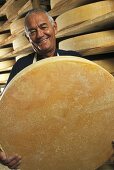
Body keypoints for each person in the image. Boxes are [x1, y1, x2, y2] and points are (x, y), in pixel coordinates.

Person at [0, 8, 81, 169]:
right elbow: (5, 111)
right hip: (38, 149)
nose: (40, 35)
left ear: (55, 27)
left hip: (74, 142)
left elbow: (98, 100)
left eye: (44, 27)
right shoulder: (21, 66)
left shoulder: (74, 59)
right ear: (28, 38)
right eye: (32, 31)